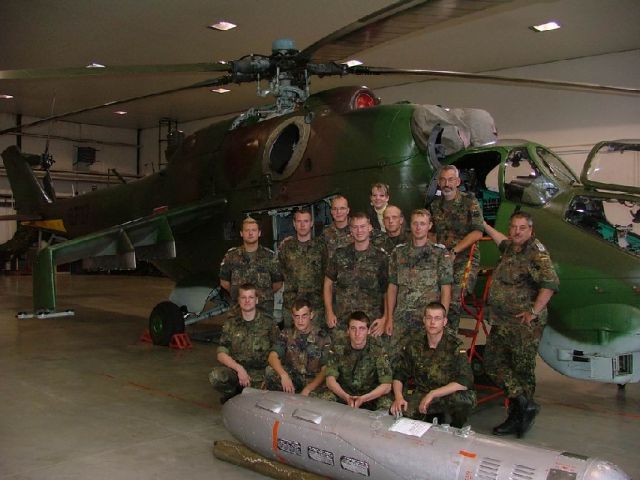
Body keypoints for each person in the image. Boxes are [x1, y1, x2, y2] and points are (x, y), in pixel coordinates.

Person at [483, 212, 559, 437]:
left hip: (523, 326)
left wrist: (534, 312)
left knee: (522, 371)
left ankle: (518, 416)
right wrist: (484, 225)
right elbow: (500, 240)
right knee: (492, 363)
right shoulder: (511, 247)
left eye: (522, 228)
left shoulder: (536, 252)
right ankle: (525, 404)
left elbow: (550, 283)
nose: (517, 231)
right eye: (514, 227)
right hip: (503, 321)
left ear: (530, 230)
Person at [378, 209, 453, 360]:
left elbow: (446, 289)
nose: (418, 227)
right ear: (410, 226)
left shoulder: (439, 253)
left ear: (429, 226)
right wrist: (389, 318)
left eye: (422, 224)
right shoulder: (398, 253)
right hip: (402, 319)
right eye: (415, 223)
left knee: (429, 360)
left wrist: (441, 319)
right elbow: (392, 288)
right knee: (394, 359)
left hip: (428, 319)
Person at [390, 302, 476, 427]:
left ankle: (456, 427)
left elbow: (465, 381)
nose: (432, 322)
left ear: (444, 322)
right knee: (396, 411)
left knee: (464, 400)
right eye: (429, 318)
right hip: (422, 393)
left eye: (437, 318)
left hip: (446, 394)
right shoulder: (414, 344)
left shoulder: (455, 346)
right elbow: (400, 373)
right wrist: (398, 398)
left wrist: (433, 394)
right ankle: (432, 416)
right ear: (424, 320)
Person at [429, 165, 484, 333]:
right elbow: (431, 233)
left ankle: (448, 336)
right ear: (439, 182)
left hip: (464, 258)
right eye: (443, 180)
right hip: (441, 258)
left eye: (451, 180)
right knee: (429, 293)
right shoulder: (435, 205)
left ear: (458, 182)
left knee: (453, 298)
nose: (447, 184)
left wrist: (454, 251)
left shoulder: (470, 202)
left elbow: (477, 232)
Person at [209, 283, 278, 403]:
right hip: (237, 372)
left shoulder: (268, 323)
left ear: (256, 300)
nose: (247, 301)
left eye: (251, 297)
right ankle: (233, 394)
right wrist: (239, 369)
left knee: (263, 395)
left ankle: (251, 393)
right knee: (216, 376)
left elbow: (277, 351)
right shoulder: (231, 324)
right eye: (243, 297)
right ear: (239, 300)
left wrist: (268, 375)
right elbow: (221, 353)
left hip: (261, 373)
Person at [324, 212, 388, 335]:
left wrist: (385, 318)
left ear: (369, 228)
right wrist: (329, 312)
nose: (359, 231)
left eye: (362, 226)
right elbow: (328, 284)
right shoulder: (339, 255)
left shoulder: (381, 258)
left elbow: (387, 290)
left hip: (370, 322)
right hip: (343, 322)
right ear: (350, 230)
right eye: (355, 227)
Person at [322, 311, 392, 410]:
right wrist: (346, 397)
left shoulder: (378, 348)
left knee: (387, 404)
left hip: (370, 397)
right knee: (324, 399)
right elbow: (330, 380)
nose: (357, 334)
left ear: (368, 331)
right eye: (353, 328)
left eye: (362, 329)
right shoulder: (338, 346)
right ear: (348, 330)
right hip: (344, 394)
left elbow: (387, 385)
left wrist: (364, 398)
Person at [219, 217, 283, 316]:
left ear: (259, 233)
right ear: (241, 233)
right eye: (247, 230)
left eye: (253, 230)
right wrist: (239, 295)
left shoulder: (270, 256)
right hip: (239, 310)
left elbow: (277, 283)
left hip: (263, 310)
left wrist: (263, 295)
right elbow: (224, 282)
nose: (250, 233)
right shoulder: (231, 255)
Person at [265, 299, 331, 396]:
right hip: (294, 378)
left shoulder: (323, 337)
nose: (300, 321)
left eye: (304, 316)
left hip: (313, 381)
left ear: (311, 315)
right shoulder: (286, 334)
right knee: (270, 372)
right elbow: (272, 357)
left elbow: (325, 369)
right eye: (297, 316)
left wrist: (309, 388)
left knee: (328, 398)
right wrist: (283, 375)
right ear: (292, 317)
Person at [278, 208, 327, 328]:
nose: (302, 225)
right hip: (292, 305)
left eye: (306, 221)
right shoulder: (286, 248)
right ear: (294, 224)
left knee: (316, 338)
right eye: (299, 221)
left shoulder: (321, 247)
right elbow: (279, 272)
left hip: (315, 305)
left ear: (311, 223)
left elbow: (327, 273)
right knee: (290, 338)